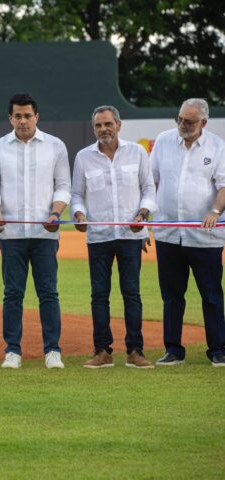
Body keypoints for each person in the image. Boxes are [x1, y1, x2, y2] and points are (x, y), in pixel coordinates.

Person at [0, 93, 71, 369]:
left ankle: (52, 350)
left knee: (48, 292)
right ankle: (12, 350)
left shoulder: (55, 146)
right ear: (10, 118)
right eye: (17, 116)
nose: (23, 121)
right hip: (11, 234)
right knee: (12, 293)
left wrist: (56, 213)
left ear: (37, 117)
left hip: (45, 233)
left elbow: (63, 186)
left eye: (27, 115)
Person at [71, 105, 156, 369]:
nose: (103, 129)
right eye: (98, 125)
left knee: (132, 293)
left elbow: (148, 189)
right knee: (99, 295)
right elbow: (76, 195)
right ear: (93, 128)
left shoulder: (137, 152)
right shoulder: (84, 157)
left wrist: (142, 215)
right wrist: (78, 214)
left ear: (119, 124)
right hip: (99, 236)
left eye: (108, 124)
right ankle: (102, 351)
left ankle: (135, 351)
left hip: (131, 236)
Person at [150, 98, 225, 367]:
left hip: (205, 236)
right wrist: (145, 212)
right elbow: (152, 180)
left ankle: (218, 349)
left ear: (203, 122)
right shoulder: (163, 140)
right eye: (180, 119)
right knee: (171, 295)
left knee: (212, 294)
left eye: (189, 121)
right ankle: (173, 349)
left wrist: (214, 211)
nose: (183, 124)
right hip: (168, 233)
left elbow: (224, 186)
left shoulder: (217, 146)